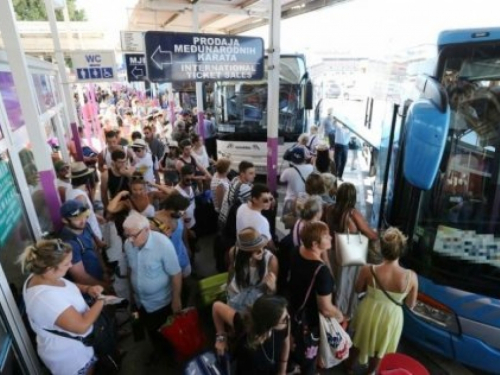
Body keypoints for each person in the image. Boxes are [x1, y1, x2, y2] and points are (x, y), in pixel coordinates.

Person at [20, 239, 105, 375]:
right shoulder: (44, 299)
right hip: (70, 357)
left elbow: (65, 286)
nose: (71, 265)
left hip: (77, 347)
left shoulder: (43, 276)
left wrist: (87, 288)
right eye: (66, 264)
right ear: (49, 269)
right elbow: (81, 325)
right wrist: (102, 300)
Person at [347, 227, 418, 374]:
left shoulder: (368, 269)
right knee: (382, 347)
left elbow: (357, 289)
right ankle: (371, 372)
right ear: (401, 250)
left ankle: (348, 369)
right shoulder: (411, 276)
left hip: (369, 310)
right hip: (392, 316)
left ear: (381, 248)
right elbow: (411, 304)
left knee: (359, 340)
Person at [123, 211, 182, 364]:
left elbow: (175, 274)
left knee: (167, 332)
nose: (130, 240)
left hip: (161, 303)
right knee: (152, 331)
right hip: (141, 302)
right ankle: (159, 351)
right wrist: (131, 294)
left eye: (133, 235)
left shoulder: (163, 244)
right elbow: (131, 269)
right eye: (127, 235)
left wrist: (176, 299)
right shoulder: (129, 244)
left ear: (147, 230)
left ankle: (172, 356)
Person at [289, 221, 344, 375]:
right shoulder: (322, 272)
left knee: (294, 349)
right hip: (309, 323)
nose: (331, 238)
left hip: (294, 313)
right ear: (314, 244)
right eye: (326, 236)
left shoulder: (296, 251)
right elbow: (325, 308)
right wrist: (339, 315)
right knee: (309, 360)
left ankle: (293, 366)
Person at [325, 182, 378, 318]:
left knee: (335, 282)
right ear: (353, 197)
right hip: (349, 256)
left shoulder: (328, 209)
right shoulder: (352, 213)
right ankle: (343, 314)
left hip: (332, 252)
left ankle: (331, 308)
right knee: (346, 285)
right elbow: (370, 234)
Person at [213, 295, 290, 375]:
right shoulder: (244, 325)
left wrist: (282, 370)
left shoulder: (282, 328)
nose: (288, 319)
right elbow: (216, 306)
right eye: (284, 319)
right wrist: (221, 338)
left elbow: (286, 340)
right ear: (269, 323)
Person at [59, 200, 110, 290]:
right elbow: (81, 277)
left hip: (99, 277)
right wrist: (106, 287)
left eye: (84, 216)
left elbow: (95, 249)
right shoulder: (69, 243)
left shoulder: (86, 226)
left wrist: (105, 271)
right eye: (76, 218)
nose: (82, 221)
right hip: (89, 290)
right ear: (65, 220)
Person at [227, 228, 278, 311]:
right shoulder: (234, 252)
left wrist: (272, 288)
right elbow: (232, 270)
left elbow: (272, 291)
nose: (261, 249)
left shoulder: (271, 260)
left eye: (261, 244)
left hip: (256, 303)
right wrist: (228, 287)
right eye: (256, 247)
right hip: (235, 296)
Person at [219, 161, 256, 229]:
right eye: (251, 173)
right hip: (229, 224)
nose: (254, 175)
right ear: (242, 174)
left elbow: (252, 186)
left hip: (223, 219)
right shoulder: (243, 187)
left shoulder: (236, 179)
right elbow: (258, 200)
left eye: (254, 173)